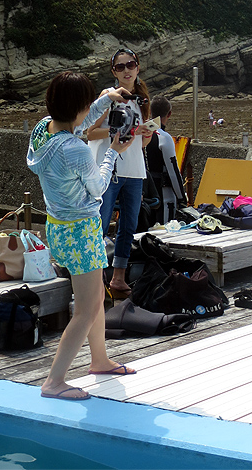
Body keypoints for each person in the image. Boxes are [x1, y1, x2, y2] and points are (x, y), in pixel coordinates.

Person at [26, 71, 137, 401]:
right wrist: (113, 152)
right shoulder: (74, 150)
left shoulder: (43, 130)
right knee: (86, 309)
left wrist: (107, 99)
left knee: (96, 297)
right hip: (81, 232)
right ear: (78, 105)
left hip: (59, 226)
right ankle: (54, 381)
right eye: (88, 102)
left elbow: (77, 122)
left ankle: (99, 360)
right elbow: (99, 187)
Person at [87, 48, 153, 297]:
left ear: (138, 67)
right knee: (100, 225)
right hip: (107, 169)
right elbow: (90, 132)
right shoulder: (108, 96)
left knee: (129, 226)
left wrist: (145, 135)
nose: (127, 70)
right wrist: (118, 129)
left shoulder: (142, 99)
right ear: (113, 71)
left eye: (131, 65)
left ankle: (118, 278)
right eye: (120, 67)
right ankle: (95, 279)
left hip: (134, 169)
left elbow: (142, 144)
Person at [145, 95, 187, 224]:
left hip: (143, 191)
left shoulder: (141, 132)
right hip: (162, 193)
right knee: (163, 235)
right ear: (169, 114)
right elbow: (173, 171)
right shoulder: (164, 137)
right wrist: (182, 199)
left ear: (150, 112)